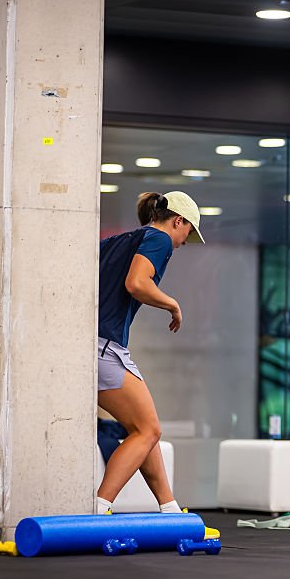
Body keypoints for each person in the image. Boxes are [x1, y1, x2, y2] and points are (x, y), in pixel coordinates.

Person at [95, 191, 205, 515]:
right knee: (149, 429)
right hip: (106, 344)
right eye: (188, 233)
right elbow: (136, 283)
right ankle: (99, 508)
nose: (185, 242)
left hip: (92, 343)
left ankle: (168, 507)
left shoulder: (121, 239)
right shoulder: (159, 239)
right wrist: (173, 304)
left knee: (143, 428)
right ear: (178, 221)